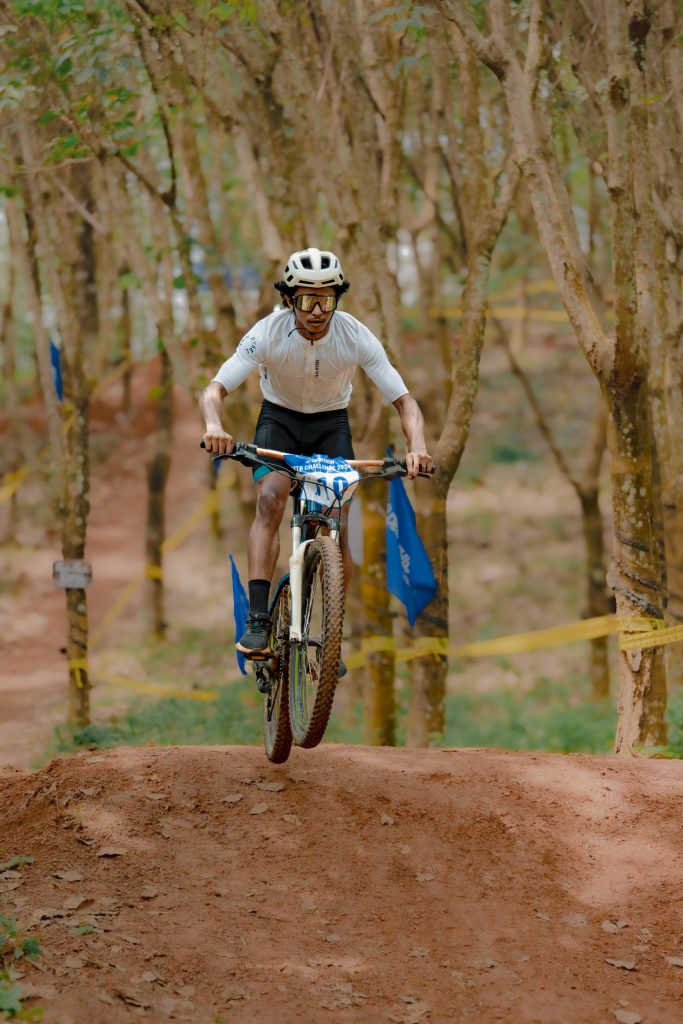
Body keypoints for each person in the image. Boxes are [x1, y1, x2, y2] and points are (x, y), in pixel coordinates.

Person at [200, 246, 433, 659]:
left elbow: (405, 402)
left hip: (330, 427)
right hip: (279, 422)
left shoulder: (355, 336)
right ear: (289, 300)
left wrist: (418, 448)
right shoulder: (267, 334)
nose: (318, 311)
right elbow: (215, 390)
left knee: (338, 522)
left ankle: (331, 633)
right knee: (270, 500)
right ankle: (258, 621)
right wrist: (214, 426)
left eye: (327, 300)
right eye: (308, 300)